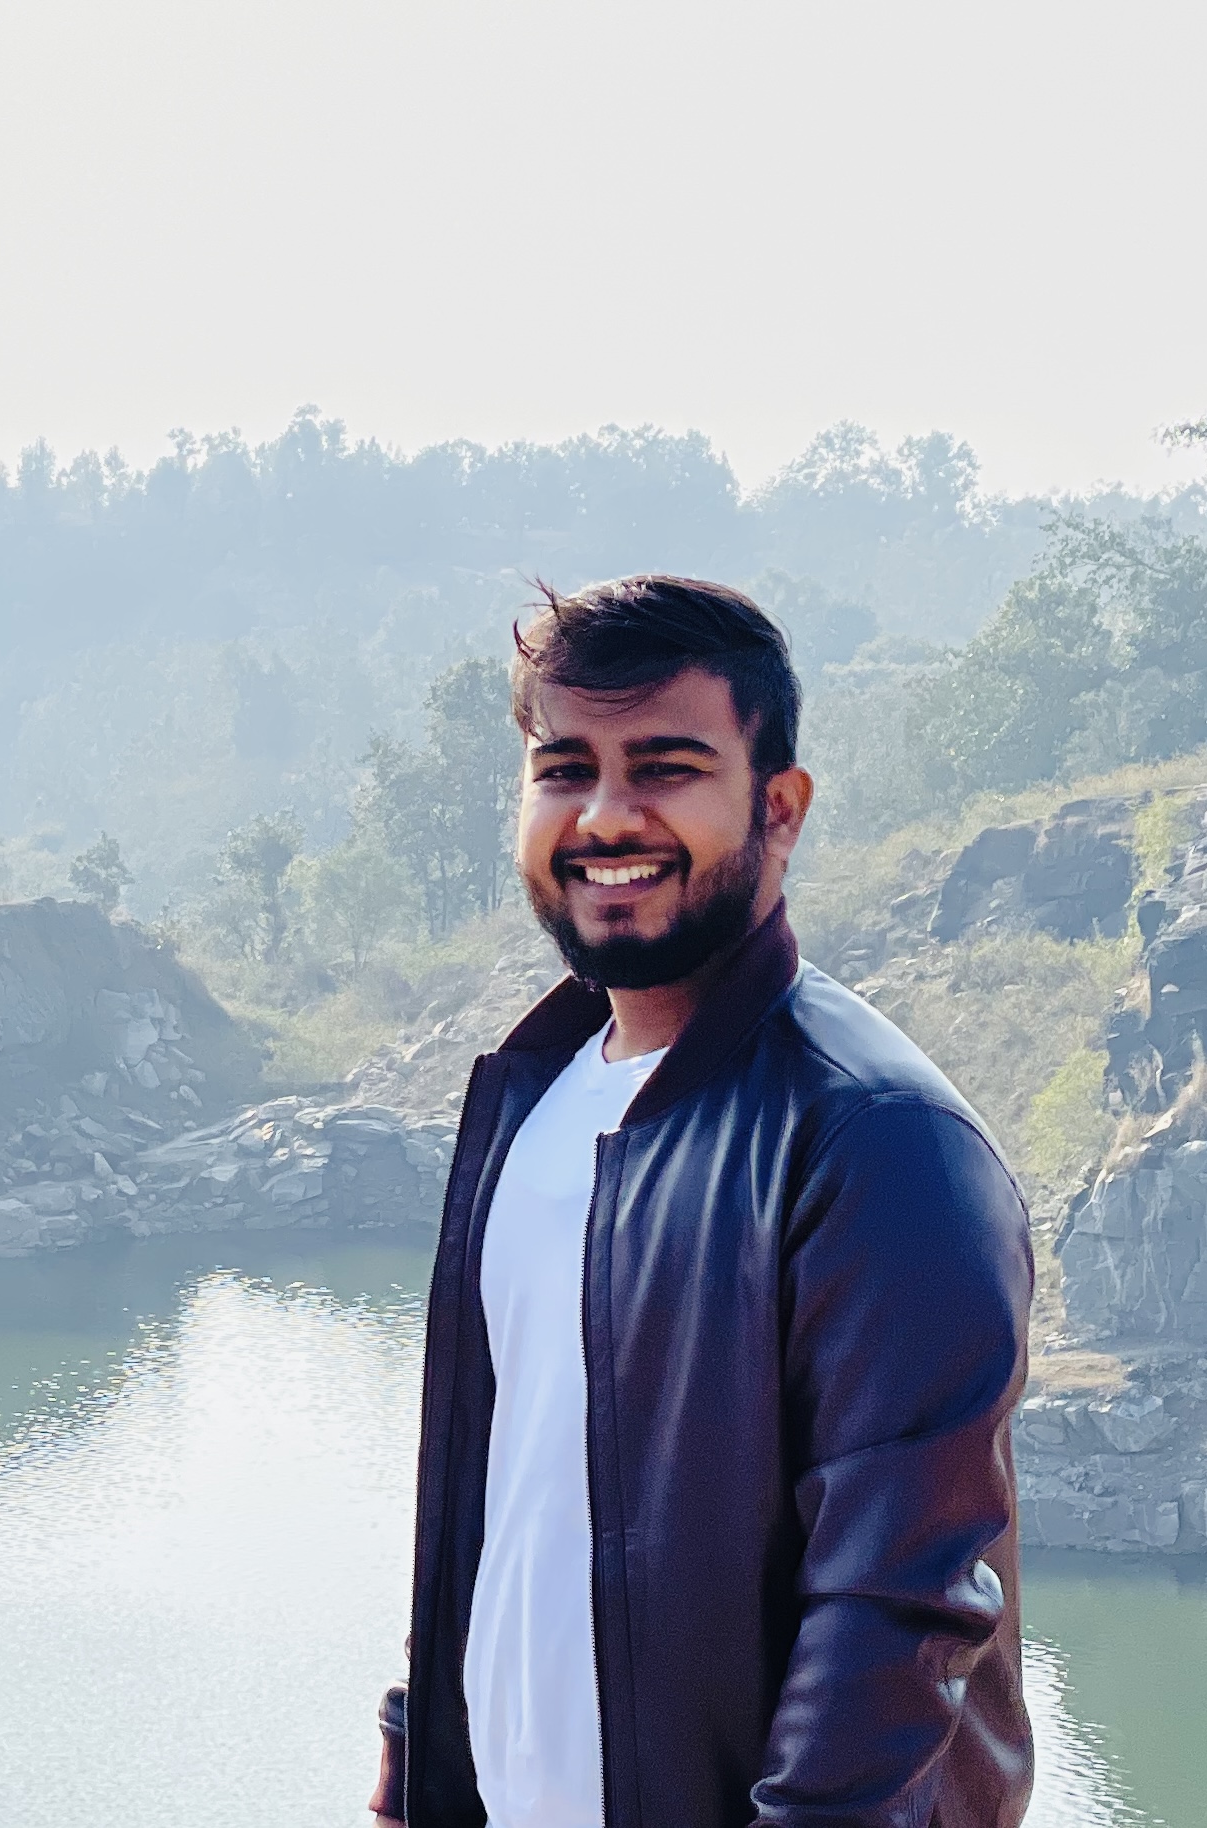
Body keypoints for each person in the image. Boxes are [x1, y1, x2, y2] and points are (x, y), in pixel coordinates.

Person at [370, 575, 1034, 1828]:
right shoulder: (535, 1094)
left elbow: (895, 1611)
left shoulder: (875, 1140)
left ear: (778, 808)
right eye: (565, 770)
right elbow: (495, 1494)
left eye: (665, 769)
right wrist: (411, 1768)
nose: (605, 815)